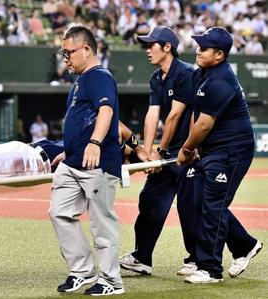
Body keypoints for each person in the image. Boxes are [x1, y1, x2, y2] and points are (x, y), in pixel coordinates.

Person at [178, 27, 263, 284]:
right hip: (212, 149)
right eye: (199, 46)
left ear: (219, 55)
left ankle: (210, 269)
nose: (198, 50)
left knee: (213, 205)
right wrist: (194, 147)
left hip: (232, 151)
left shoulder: (221, 79)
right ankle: (245, 245)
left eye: (204, 48)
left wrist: (186, 149)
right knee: (199, 202)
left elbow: (204, 124)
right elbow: (196, 116)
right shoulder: (202, 75)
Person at [49, 25, 125, 296]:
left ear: (87, 49)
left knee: (101, 223)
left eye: (68, 52)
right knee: (59, 212)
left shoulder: (100, 76)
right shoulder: (81, 80)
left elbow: (106, 110)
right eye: (63, 53)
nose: (65, 58)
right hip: (73, 162)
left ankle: (111, 281)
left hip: (98, 162)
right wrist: (69, 151)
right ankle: (81, 271)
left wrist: (94, 142)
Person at [118, 26, 199, 276]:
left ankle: (198, 259)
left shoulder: (187, 73)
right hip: (168, 153)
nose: (146, 50)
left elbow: (174, 116)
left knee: (190, 207)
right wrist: (148, 151)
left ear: (167, 47)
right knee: (150, 198)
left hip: (189, 152)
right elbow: (153, 115)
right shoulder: (156, 78)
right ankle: (142, 257)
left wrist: (159, 151)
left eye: (151, 44)